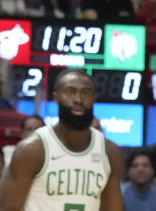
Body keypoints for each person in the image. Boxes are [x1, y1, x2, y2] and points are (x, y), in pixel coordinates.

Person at [0, 70, 123, 211]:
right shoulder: (32, 150)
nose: (78, 99)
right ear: (56, 98)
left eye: (86, 92)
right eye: (70, 92)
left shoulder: (110, 152)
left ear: (94, 98)